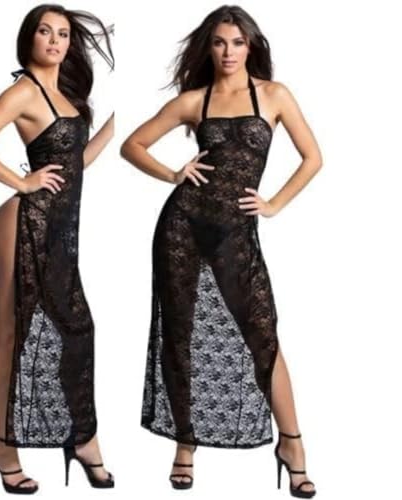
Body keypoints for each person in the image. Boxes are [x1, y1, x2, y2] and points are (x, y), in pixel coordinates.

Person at [120, 5, 321, 497]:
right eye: (218, 42)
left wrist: (274, 204)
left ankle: (292, 445)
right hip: (182, 227)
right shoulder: (196, 100)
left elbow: (313, 157)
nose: (228, 51)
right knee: (180, 335)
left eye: (236, 42)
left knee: (263, 337)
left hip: (236, 233)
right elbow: (133, 145)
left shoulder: (273, 95)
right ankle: (185, 444)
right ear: (208, 48)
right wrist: (174, 173)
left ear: (251, 46)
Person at [0, 4, 114, 493]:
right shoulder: (24, 91)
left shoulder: (66, 95)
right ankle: (4, 447)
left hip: (56, 230)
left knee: (77, 329)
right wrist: (22, 181)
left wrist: (112, 129)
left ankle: (82, 438)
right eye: (45, 31)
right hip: (22, 223)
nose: (55, 41)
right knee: (12, 336)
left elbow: (73, 165)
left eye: (63, 34)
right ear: (29, 39)